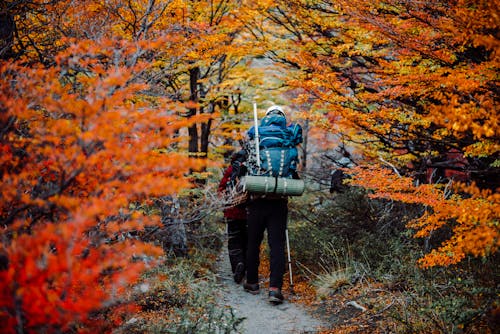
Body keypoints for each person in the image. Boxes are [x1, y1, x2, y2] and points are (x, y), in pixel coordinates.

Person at [243, 105, 301, 305]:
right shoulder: (289, 135)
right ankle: (275, 289)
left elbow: (247, 160)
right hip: (280, 199)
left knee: (253, 242)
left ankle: (252, 282)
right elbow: (294, 166)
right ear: (283, 118)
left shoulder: (257, 133)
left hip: (257, 197)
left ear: (267, 116)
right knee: (277, 245)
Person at [218, 149, 248, 284]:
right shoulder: (252, 169)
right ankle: (246, 268)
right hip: (249, 213)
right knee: (247, 241)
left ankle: (237, 266)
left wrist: (226, 203)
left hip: (232, 211)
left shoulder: (230, 170)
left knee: (234, 241)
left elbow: (221, 189)